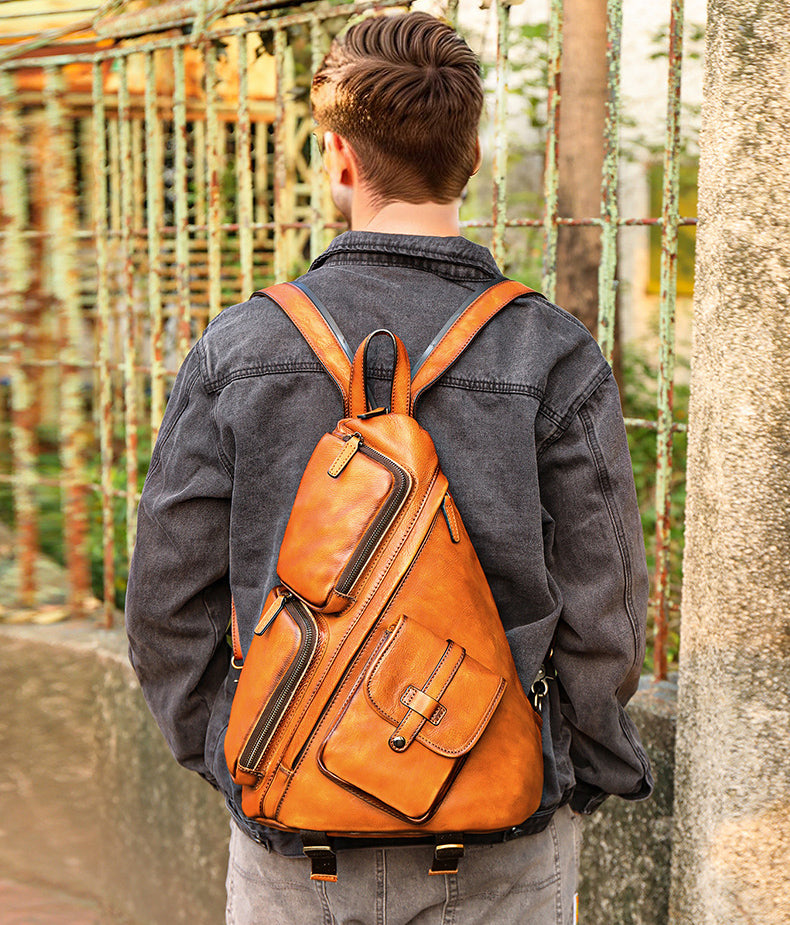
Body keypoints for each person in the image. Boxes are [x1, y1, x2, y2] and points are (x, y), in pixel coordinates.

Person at [125, 11, 653, 924]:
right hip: (501, 833)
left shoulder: (239, 346)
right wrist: (571, 774)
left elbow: (166, 608)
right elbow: (604, 614)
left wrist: (238, 756)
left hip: (295, 839)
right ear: (472, 156)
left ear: (336, 157)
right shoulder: (551, 352)